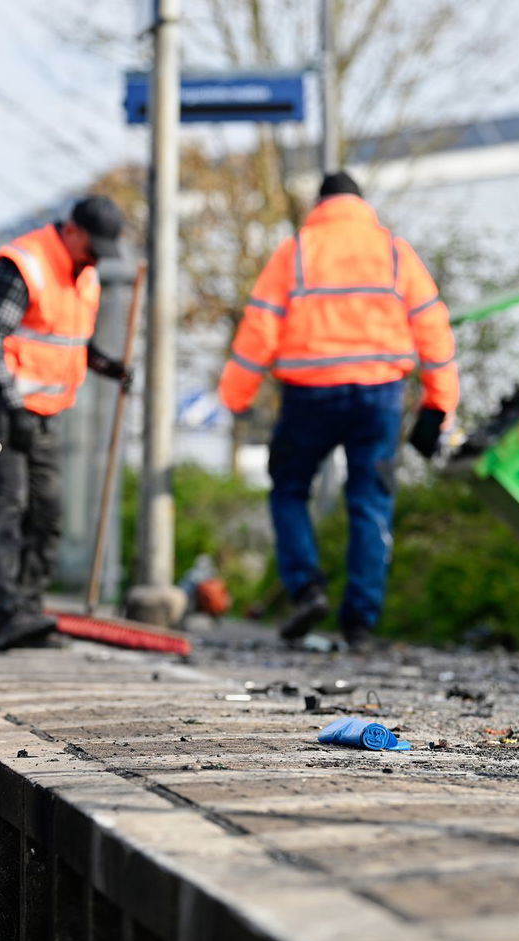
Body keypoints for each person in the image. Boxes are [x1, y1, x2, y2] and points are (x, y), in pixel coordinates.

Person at [218, 171, 458, 648]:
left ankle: (306, 588)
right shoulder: (394, 252)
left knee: (289, 489)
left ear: (320, 203)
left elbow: (260, 329)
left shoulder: (297, 251)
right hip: (380, 394)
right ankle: (360, 623)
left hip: (310, 394)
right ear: (361, 203)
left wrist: (235, 396)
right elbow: (433, 328)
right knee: (370, 501)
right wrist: (439, 402)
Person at [0, 194, 131, 651]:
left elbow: (67, 342)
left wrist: (109, 366)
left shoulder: (87, 275)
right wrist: (12, 405)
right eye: (92, 246)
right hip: (1, 409)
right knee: (7, 511)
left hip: (42, 414)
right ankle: (9, 616)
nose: (96, 257)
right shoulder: (25, 264)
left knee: (48, 512)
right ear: (72, 230)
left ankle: (31, 610)